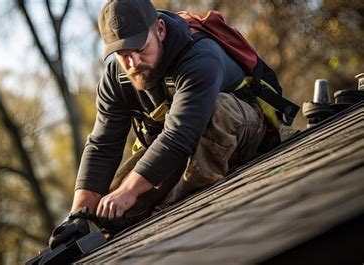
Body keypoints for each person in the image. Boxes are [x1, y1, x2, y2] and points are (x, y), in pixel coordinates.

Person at [49, 0, 279, 247]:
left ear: (160, 30)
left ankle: (173, 210)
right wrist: (79, 215)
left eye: (140, 48)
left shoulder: (200, 55)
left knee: (215, 112)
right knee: (110, 208)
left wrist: (132, 192)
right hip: (178, 147)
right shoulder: (116, 79)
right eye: (123, 55)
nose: (133, 63)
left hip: (243, 130)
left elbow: (180, 134)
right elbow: (102, 145)